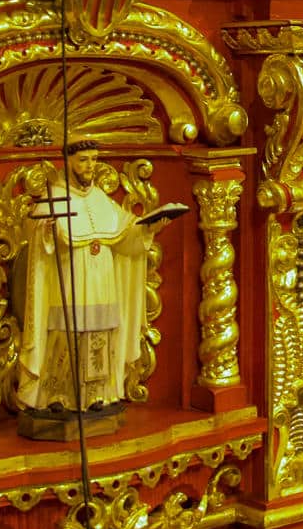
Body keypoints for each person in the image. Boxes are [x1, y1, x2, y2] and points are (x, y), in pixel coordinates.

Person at [15, 140, 182, 412]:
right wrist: (47, 232)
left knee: (100, 335)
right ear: (68, 161)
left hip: (102, 281)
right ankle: (59, 396)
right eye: (83, 159)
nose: (90, 165)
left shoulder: (101, 199)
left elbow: (126, 236)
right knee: (66, 334)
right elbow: (39, 246)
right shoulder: (53, 198)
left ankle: (96, 396)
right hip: (69, 282)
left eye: (93, 159)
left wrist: (150, 229)